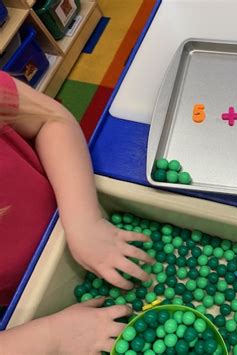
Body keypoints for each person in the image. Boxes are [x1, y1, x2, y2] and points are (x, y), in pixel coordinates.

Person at [0, 71, 154, 353]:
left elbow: (50, 119)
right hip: (18, 304)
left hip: (67, 218)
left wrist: (84, 222)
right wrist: (51, 338)